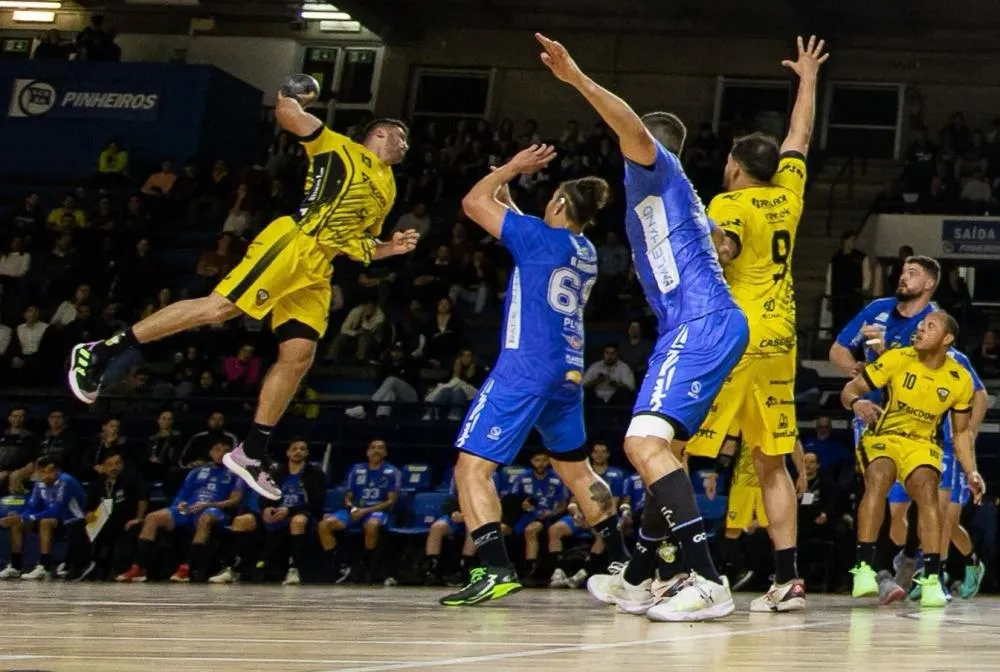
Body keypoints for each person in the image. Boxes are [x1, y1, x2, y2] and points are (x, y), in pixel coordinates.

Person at [68, 83, 419, 502]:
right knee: (220, 309)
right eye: (402, 137)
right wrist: (292, 93)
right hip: (294, 243)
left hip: (319, 268)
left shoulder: (389, 187)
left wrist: (389, 248)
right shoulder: (338, 147)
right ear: (380, 134)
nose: (406, 145)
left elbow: (356, 243)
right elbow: (288, 117)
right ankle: (100, 351)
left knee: (299, 355)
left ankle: (251, 450)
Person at [537, 33, 750, 621]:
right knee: (668, 451)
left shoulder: (657, 169)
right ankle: (639, 575)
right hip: (696, 325)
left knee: (641, 444)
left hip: (701, 323)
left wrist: (578, 79)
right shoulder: (667, 194)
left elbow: (631, 126)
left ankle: (708, 581)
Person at [671, 35, 827, 615]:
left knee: (673, 446)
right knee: (769, 459)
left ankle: (679, 569)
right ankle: (787, 579)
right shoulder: (789, 194)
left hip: (733, 337)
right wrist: (807, 79)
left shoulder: (727, 203)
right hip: (782, 340)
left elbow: (723, 252)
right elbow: (800, 136)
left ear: (735, 167)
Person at [438, 141, 632, 608]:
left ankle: (494, 568)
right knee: (577, 470)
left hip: (523, 370)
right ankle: (626, 564)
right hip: (566, 373)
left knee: (472, 466)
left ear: (560, 204)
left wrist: (509, 168)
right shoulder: (582, 249)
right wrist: (505, 185)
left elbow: (472, 203)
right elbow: (516, 220)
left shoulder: (536, 238)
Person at [841, 312, 984, 608]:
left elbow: (960, 434)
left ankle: (931, 577)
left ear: (947, 339)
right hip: (886, 434)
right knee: (879, 477)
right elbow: (850, 389)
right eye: (920, 326)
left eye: (929, 327)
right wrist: (858, 402)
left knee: (928, 490)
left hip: (922, 443)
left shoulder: (959, 379)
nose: (920, 330)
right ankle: (864, 568)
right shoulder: (898, 358)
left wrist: (972, 472)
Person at [882, 346, 988, 601]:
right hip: (910, 441)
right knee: (898, 515)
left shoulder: (956, 358)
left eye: (929, 324)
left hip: (948, 448)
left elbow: (981, 394)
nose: (921, 329)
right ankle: (915, 563)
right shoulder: (907, 354)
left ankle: (939, 572)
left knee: (944, 520)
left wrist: (970, 432)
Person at [116, 440, 240, 583]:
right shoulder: (197, 471)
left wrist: (209, 504)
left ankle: (186, 568)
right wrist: (180, 504)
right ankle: (138, 568)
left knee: (206, 518)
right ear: (210, 452)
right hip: (189, 508)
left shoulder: (235, 474)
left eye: (225, 450)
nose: (221, 453)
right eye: (217, 449)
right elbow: (183, 494)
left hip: (213, 508)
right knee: (152, 517)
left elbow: (234, 500)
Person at [317, 440, 400, 583]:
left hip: (378, 510)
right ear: (367, 452)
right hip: (357, 510)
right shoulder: (356, 470)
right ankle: (339, 567)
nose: (376, 451)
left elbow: (391, 502)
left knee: (372, 525)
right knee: (324, 524)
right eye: (373, 448)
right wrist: (353, 508)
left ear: (385, 453)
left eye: (380, 448)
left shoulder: (392, 471)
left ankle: (367, 566)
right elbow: (348, 498)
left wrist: (366, 510)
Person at [1, 457, 89, 581]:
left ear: (56, 471)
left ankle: (44, 566)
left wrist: (29, 517)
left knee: (45, 522)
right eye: (42, 471)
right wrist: (20, 517)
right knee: (17, 523)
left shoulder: (66, 481)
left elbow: (56, 510)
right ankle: (15, 567)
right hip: (51, 518)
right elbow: (32, 506)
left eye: (49, 471)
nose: (46, 475)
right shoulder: (39, 482)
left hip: (71, 520)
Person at [85, 451, 148, 580]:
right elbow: (90, 505)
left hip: (126, 518)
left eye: (117, 463)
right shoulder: (98, 482)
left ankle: (119, 568)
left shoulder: (132, 478)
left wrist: (139, 518)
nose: (114, 468)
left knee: (127, 530)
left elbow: (143, 498)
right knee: (81, 527)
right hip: (104, 518)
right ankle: (85, 566)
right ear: (102, 467)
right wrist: (89, 513)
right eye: (110, 464)